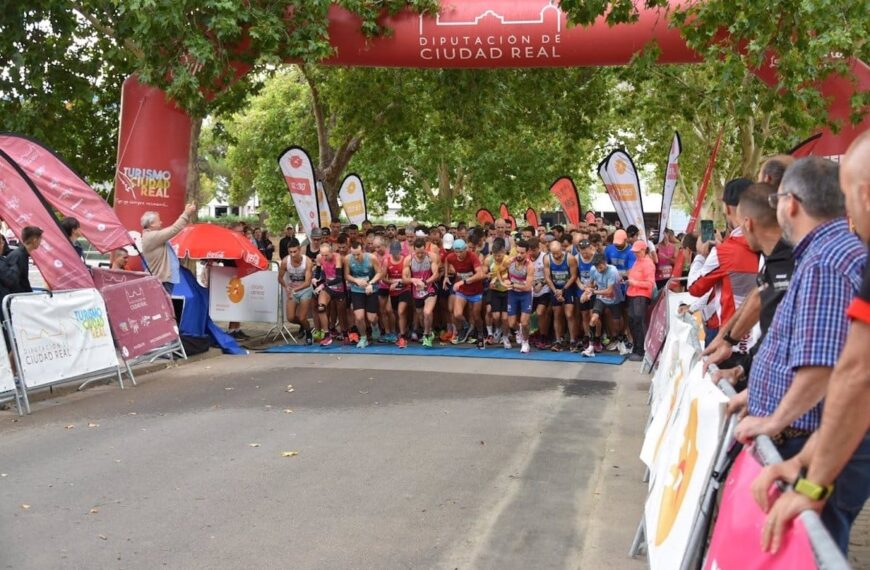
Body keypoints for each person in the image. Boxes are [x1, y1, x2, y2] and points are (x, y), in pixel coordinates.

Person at [749, 135, 870, 556]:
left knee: (811, 551)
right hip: (816, 444)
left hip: (817, 442)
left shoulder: (826, 261)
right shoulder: (824, 254)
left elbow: (846, 373)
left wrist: (809, 477)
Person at [688, 178, 759, 356]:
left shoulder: (723, 253)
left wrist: (701, 256)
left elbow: (694, 288)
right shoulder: (773, 246)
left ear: (727, 208)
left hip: (731, 345)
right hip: (764, 345)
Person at [141, 202, 196, 294]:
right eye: (159, 220)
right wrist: (186, 213)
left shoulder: (151, 236)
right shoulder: (151, 237)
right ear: (152, 224)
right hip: (160, 281)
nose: (161, 222)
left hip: (161, 280)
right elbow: (174, 229)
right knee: (161, 303)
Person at [445, 238, 486, 349]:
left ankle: (480, 334)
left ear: (465, 249)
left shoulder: (472, 256)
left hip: (475, 291)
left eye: (461, 252)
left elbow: (480, 274)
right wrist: (445, 276)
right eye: (456, 252)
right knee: (457, 314)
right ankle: (465, 327)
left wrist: (463, 281)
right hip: (462, 291)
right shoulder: (452, 256)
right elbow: (447, 260)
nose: (459, 254)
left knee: (476, 316)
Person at [580, 253, 624, 357]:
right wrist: (586, 293)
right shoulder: (593, 269)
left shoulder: (612, 271)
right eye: (596, 267)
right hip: (601, 298)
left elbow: (609, 291)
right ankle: (590, 347)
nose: (598, 270)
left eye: (600, 267)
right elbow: (591, 284)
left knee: (616, 326)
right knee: (593, 319)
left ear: (605, 263)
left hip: (615, 299)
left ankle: (620, 340)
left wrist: (593, 292)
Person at [344, 240, 382, 348]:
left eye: (358, 254)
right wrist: (356, 280)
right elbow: (346, 275)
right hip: (356, 290)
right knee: (359, 317)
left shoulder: (371, 258)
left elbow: (380, 272)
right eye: (353, 254)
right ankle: (363, 337)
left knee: (371, 318)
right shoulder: (347, 259)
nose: (356, 257)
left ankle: (375, 325)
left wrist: (371, 283)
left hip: (371, 289)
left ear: (363, 251)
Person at [404, 237, 440, 347]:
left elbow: (436, 274)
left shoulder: (431, 257)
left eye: (422, 252)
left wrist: (425, 282)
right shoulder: (408, 259)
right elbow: (404, 278)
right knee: (421, 316)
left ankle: (426, 335)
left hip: (430, 288)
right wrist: (413, 280)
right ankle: (429, 331)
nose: (420, 255)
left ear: (425, 249)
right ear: (413, 250)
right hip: (417, 291)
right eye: (418, 253)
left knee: (427, 312)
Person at [544, 240, 579, 352]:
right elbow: (547, 277)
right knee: (557, 314)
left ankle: (573, 341)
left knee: (569, 314)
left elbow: (573, 276)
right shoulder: (547, 259)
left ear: (562, 249)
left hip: (568, 288)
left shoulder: (570, 258)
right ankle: (558, 340)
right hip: (555, 288)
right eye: (553, 253)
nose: (556, 256)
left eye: (558, 253)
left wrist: (563, 290)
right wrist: (555, 291)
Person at [278, 238, 314, 345]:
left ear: (299, 249)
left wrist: (294, 289)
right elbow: (279, 278)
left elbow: (307, 282)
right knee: (290, 318)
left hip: (305, 289)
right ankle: (303, 325)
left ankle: (308, 333)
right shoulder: (285, 261)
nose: (293, 254)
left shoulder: (307, 261)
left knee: (302, 317)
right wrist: (286, 287)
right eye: (290, 252)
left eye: (295, 251)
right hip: (292, 290)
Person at [625, 240, 655, 362]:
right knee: (632, 321)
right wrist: (630, 281)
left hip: (641, 296)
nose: (635, 253)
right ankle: (636, 348)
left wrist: (634, 282)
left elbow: (650, 284)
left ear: (643, 250)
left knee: (638, 321)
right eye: (634, 252)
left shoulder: (648, 263)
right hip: (633, 294)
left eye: (637, 251)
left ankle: (641, 350)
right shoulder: (638, 261)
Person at [314, 241, 346, 347]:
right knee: (321, 308)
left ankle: (345, 332)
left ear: (331, 252)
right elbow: (320, 273)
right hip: (328, 288)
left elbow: (338, 278)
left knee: (341, 313)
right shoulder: (320, 258)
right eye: (322, 255)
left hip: (339, 288)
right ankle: (327, 335)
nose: (324, 257)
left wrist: (323, 284)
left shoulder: (337, 257)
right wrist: (315, 279)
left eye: (326, 255)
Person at [505, 240, 535, 353]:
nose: (519, 255)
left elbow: (527, 287)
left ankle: (525, 342)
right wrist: (503, 280)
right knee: (512, 323)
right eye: (517, 252)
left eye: (522, 253)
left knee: (524, 322)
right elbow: (502, 273)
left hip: (525, 295)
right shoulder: (510, 261)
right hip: (513, 294)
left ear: (527, 253)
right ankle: (520, 331)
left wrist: (512, 284)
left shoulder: (530, 266)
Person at [383, 240, 411, 348]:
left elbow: (408, 278)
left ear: (400, 251)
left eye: (397, 252)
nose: (395, 254)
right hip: (393, 291)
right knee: (395, 312)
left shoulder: (405, 260)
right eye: (393, 252)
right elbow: (383, 277)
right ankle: (402, 331)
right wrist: (391, 283)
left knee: (401, 311)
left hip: (405, 289)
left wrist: (398, 282)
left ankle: (403, 337)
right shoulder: (387, 261)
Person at [484, 239, 511, 347]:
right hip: (495, 291)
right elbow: (483, 273)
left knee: (505, 318)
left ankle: (505, 337)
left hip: (507, 291)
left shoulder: (509, 260)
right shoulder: (488, 260)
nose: (497, 258)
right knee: (496, 316)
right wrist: (487, 278)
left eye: (499, 255)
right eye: (495, 255)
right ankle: (498, 330)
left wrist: (509, 281)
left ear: (504, 252)